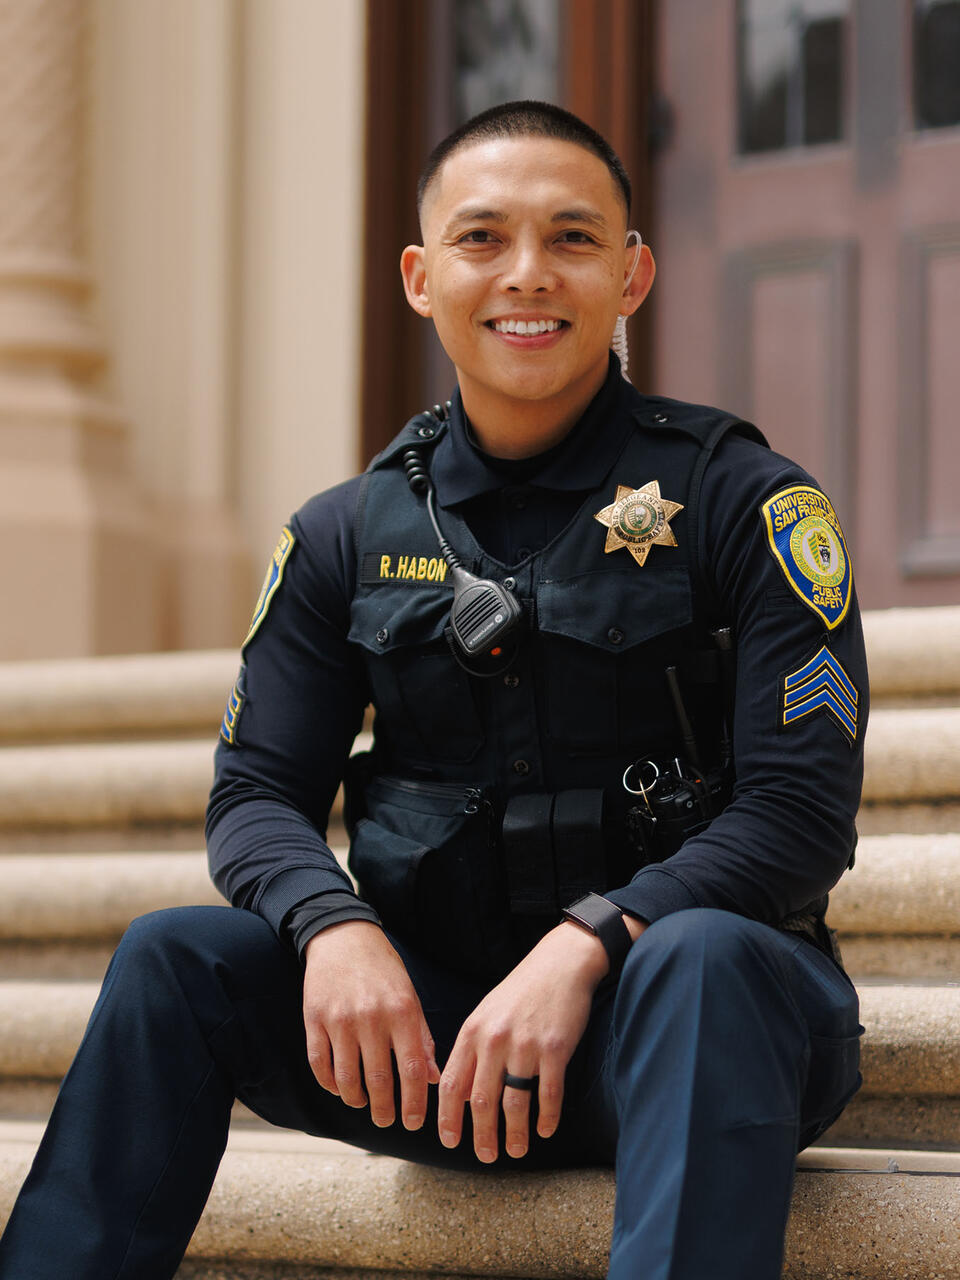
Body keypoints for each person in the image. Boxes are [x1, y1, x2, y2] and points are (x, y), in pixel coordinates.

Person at [0, 100, 867, 1280]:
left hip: (683, 1035)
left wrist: (590, 941)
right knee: (174, 958)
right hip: (435, 1055)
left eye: (571, 238)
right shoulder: (342, 533)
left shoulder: (744, 502)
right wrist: (332, 924)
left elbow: (797, 816)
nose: (527, 274)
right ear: (418, 276)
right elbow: (254, 794)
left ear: (633, 274)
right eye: (481, 239)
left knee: (704, 955)